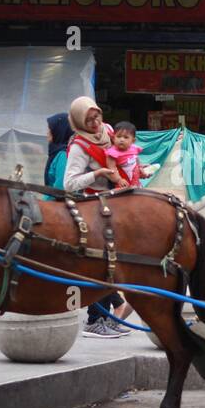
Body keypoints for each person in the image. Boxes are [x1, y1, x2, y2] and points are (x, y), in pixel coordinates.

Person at [62, 96, 132, 337]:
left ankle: (111, 311)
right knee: (102, 265)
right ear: (79, 121)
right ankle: (95, 319)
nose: (94, 123)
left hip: (119, 202)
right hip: (98, 209)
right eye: (88, 119)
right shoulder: (80, 145)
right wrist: (98, 174)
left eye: (97, 116)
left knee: (110, 265)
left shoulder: (110, 131)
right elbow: (69, 183)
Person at [104, 121, 154, 188]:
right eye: (118, 136)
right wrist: (119, 180)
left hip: (135, 182)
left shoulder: (133, 148)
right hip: (123, 183)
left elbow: (136, 158)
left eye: (126, 137)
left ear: (133, 141)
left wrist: (140, 167)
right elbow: (111, 169)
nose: (121, 140)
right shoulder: (112, 153)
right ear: (113, 138)